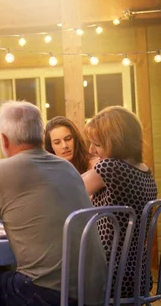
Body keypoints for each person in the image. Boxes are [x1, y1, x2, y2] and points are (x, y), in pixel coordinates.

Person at [0, 101, 106, 306]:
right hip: (93, 292)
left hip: (52, 294)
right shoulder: (67, 167)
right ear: (41, 135)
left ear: (3, 139)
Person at [82, 106, 157, 298]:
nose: (91, 150)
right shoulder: (145, 171)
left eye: (96, 144)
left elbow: (70, 190)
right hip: (137, 275)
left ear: (115, 142)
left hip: (110, 275)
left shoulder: (111, 167)